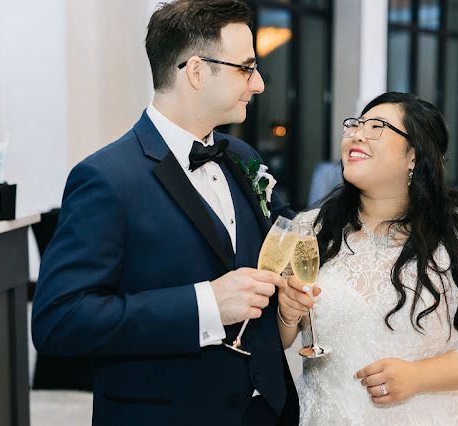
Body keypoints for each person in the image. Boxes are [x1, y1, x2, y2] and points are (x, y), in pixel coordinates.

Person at [31, 1, 298, 425]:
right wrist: (206, 304)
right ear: (196, 71)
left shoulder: (242, 158)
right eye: (246, 68)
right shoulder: (106, 178)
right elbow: (59, 320)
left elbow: (288, 235)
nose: (260, 84)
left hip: (265, 409)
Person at [277, 92, 458, 425]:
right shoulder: (308, 228)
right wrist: (286, 314)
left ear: (413, 154)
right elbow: (278, 338)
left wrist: (417, 376)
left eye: (377, 126)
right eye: (355, 125)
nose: (357, 134)